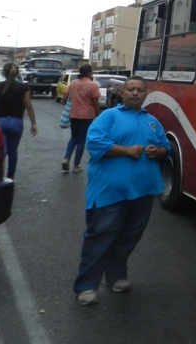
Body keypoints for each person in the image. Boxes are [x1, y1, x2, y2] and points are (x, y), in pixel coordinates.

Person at [73, 76, 169, 306]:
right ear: (122, 93)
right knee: (100, 238)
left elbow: (167, 146)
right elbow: (94, 143)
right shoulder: (109, 116)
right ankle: (86, 286)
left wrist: (160, 151)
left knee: (129, 236)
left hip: (143, 191)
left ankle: (115, 276)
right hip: (109, 192)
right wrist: (126, 151)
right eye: (131, 89)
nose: (135, 93)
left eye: (140, 90)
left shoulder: (152, 121)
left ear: (146, 95)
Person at [0, 62, 37, 180]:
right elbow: (28, 105)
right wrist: (33, 123)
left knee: (2, 150)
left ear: (3, 73)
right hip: (16, 123)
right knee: (13, 151)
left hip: (0, 122)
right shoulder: (24, 88)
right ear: (17, 73)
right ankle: (11, 176)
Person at [61, 64, 100, 173]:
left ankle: (66, 158)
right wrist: (98, 114)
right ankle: (76, 166)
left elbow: (64, 97)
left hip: (74, 114)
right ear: (89, 73)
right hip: (87, 115)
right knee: (81, 140)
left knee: (74, 137)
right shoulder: (93, 85)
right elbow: (95, 103)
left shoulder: (73, 83)